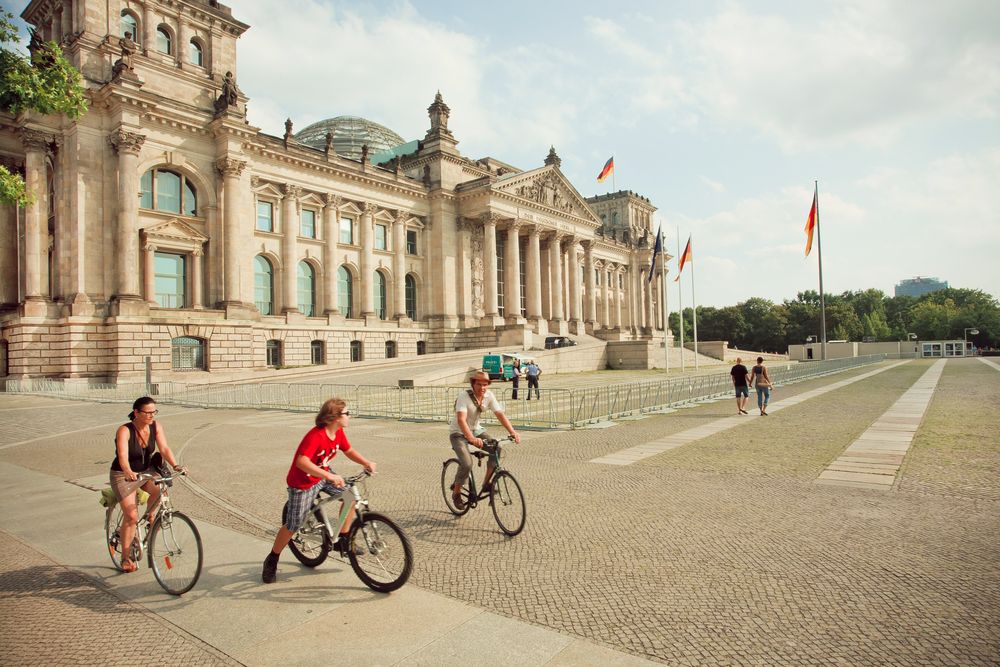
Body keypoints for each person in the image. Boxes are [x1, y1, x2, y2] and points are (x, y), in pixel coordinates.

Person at [262, 398, 376, 584]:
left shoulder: (338, 433)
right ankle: (272, 559)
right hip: (302, 482)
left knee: (350, 496)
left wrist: (366, 462)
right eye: (347, 413)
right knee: (293, 525)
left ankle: (343, 539)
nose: (349, 416)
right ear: (335, 417)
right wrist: (329, 476)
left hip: (322, 474)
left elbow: (348, 450)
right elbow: (302, 462)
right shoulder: (316, 436)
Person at [110, 397, 185, 573]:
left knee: (160, 488)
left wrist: (176, 465)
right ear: (136, 413)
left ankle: (151, 517)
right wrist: (128, 470)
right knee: (131, 516)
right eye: (148, 412)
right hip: (123, 475)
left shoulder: (155, 426)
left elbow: (164, 448)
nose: (152, 415)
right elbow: (122, 455)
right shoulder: (125, 430)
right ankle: (126, 557)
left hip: (145, 471)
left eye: (154, 412)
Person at [449, 371, 521, 509]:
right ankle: (456, 493)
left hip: (476, 430)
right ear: (473, 384)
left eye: (485, 385)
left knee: (496, 449)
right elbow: (461, 419)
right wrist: (471, 438)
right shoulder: (464, 397)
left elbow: (500, 414)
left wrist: (512, 432)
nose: (482, 388)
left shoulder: (489, 396)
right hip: (458, 433)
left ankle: (486, 484)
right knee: (467, 463)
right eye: (479, 384)